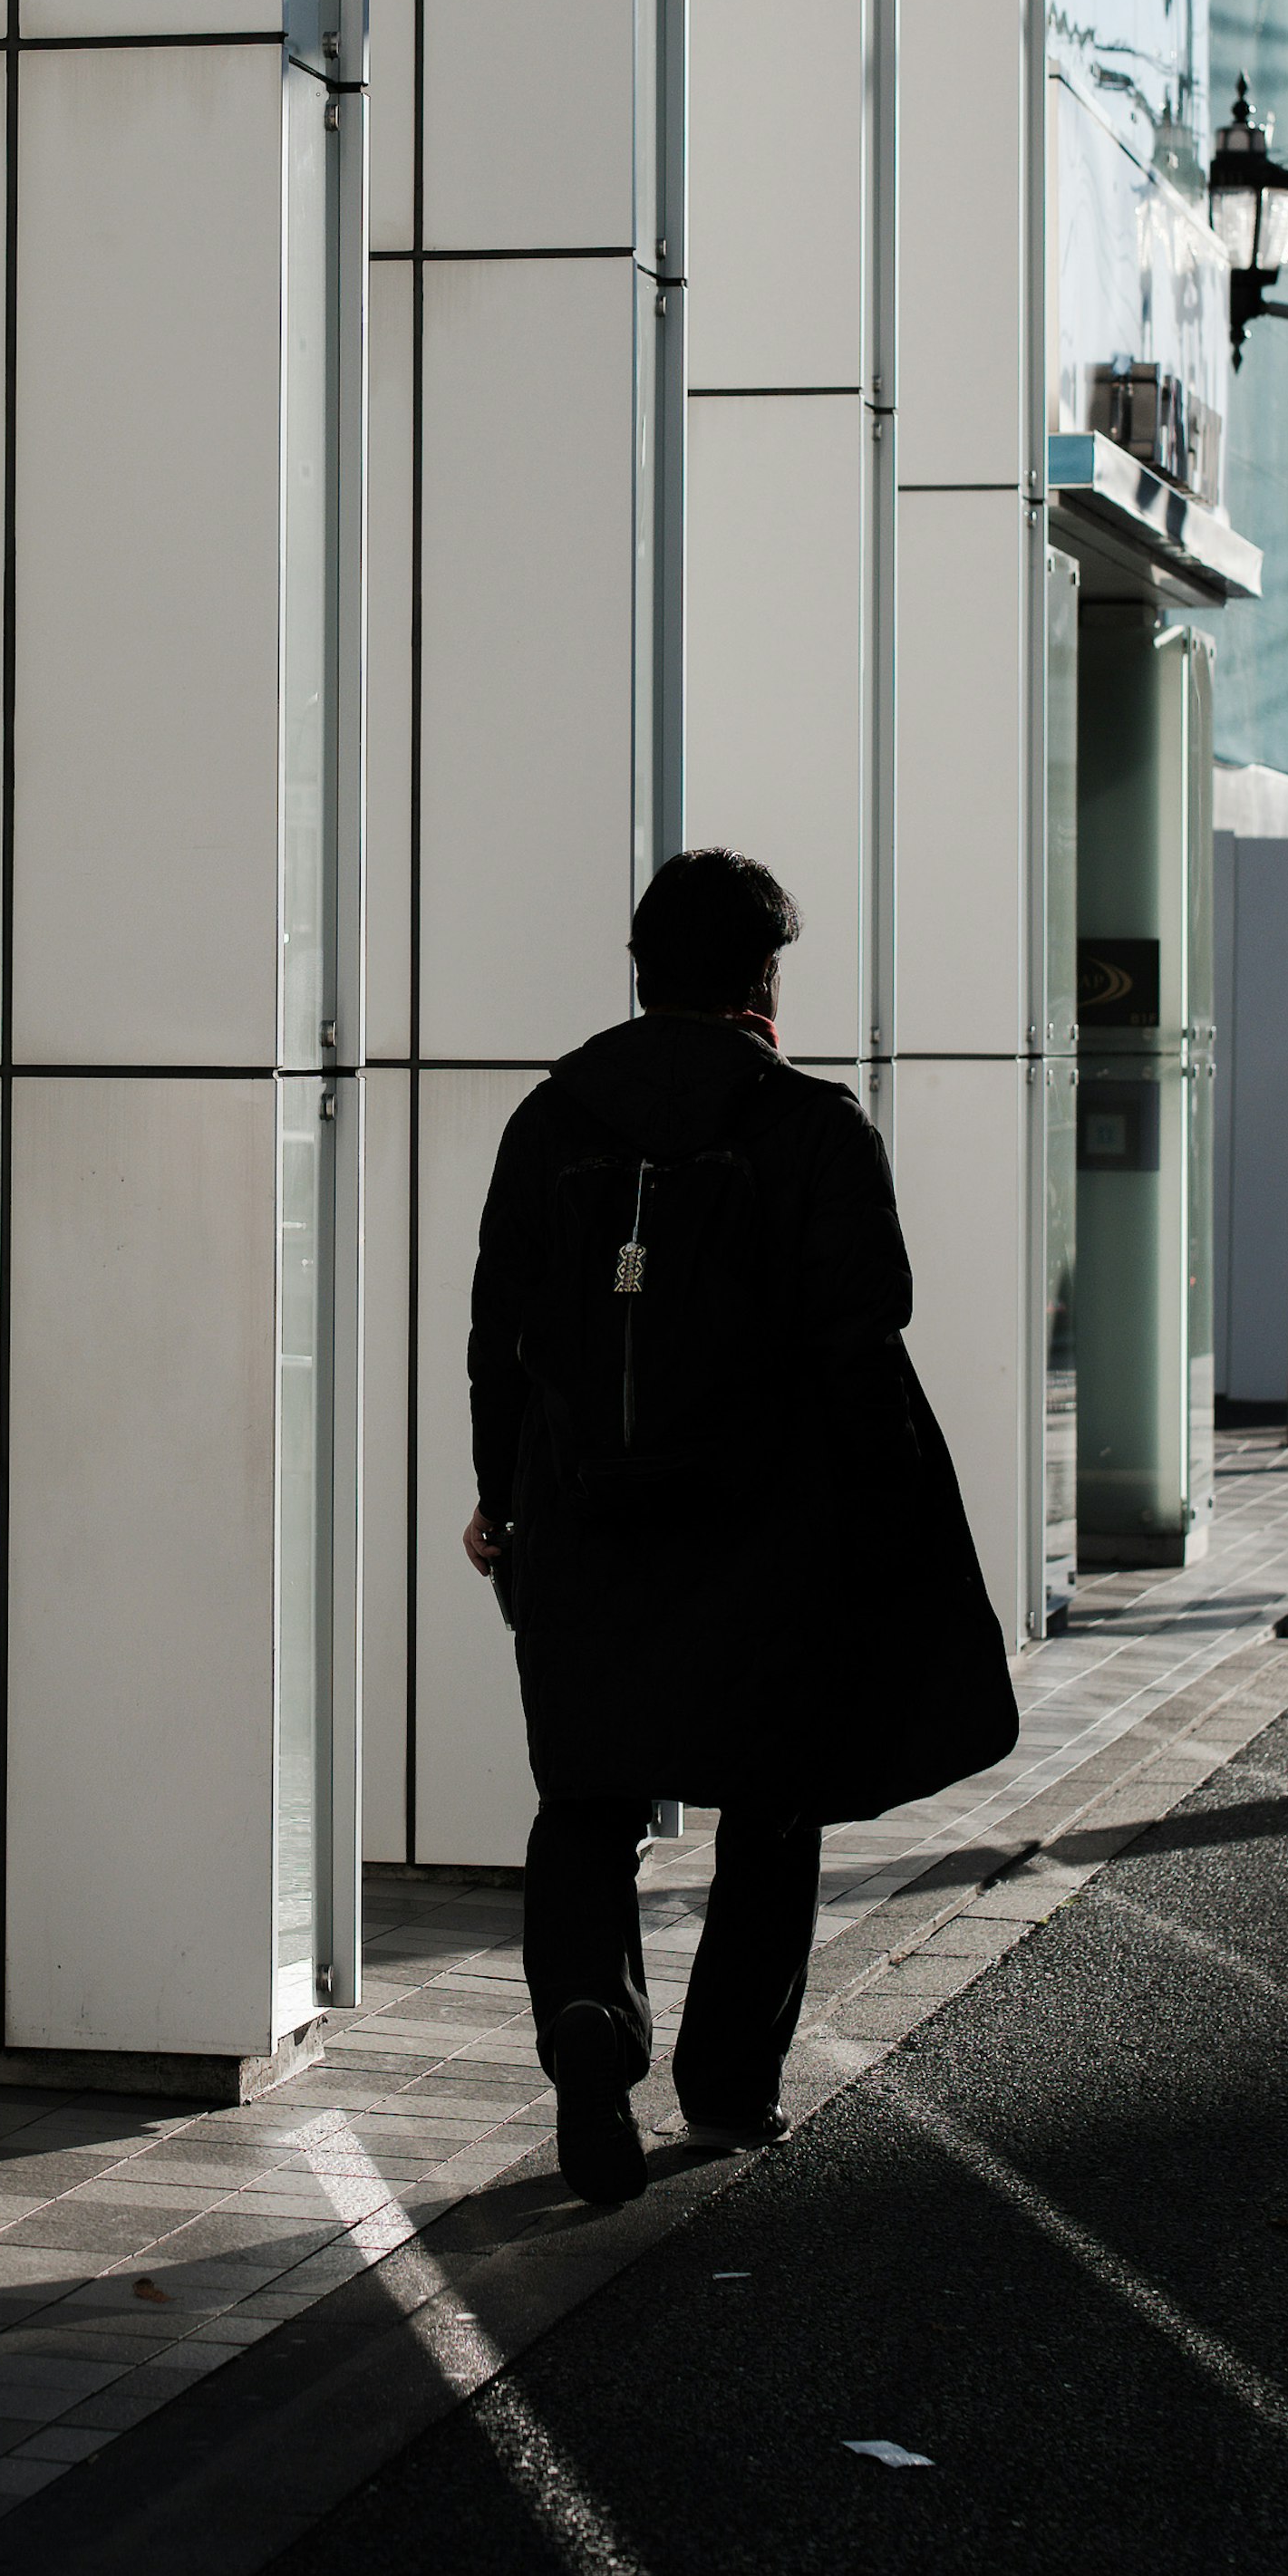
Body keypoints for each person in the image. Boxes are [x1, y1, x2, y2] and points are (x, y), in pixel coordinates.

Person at [465, 845, 1017, 2209]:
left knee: (587, 1797)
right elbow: (859, 1355)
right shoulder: (815, 1132)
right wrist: (889, 1527)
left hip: (587, 1532)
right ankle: (725, 2092)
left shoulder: (550, 1121)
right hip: (765, 1537)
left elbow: (499, 1339)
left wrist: (504, 1499)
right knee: (770, 1805)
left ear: (642, 969)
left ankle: (590, 2016)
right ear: (764, 979)